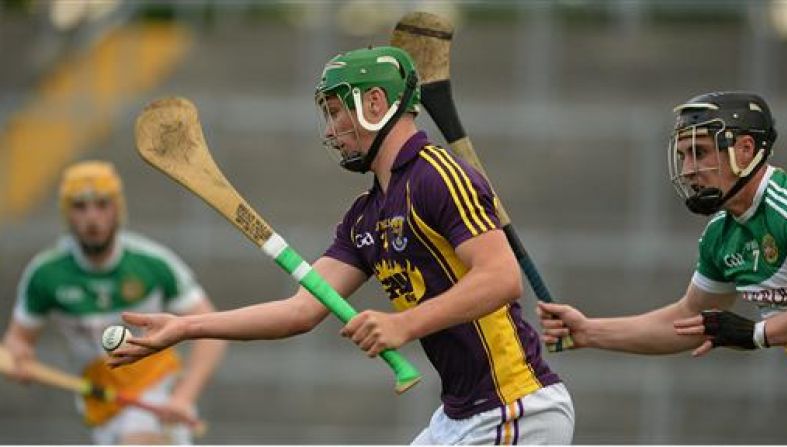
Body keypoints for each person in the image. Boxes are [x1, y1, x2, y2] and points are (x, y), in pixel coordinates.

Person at [107, 46, 575, 445]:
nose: (330, 130)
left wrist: (404, 324)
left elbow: (500, 278)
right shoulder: (365, 217)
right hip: (461, 416)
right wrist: (187, 328)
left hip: (515, 407)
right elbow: (299, 311)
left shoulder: (438, 176)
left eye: (336, 111)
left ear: (375, 101)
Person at [538, 91, 787, 362]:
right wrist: (588, 331)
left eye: (700, 152)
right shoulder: (721, 235)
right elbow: (689, 320)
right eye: (683, 155)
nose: (688, 169)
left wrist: (757, 333)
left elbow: (751, 333)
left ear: (745, 149)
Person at [2, 160, 226, 444]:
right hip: (101, 400)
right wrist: (19, 357)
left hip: (157, 391)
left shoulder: (152, 263)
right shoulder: (45, 275)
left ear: (117, 208)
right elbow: (18, 340)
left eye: (102, 204)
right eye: (80, 206)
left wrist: (183, 396)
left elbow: (212, 336)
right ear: (66, 214)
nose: (92, 218)